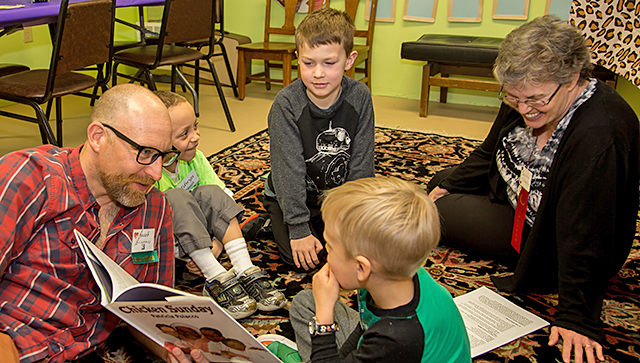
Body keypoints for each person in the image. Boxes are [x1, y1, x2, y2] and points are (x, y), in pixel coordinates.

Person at [426, 15, 639, 363]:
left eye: (535, 100)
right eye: (513, 98)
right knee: (440, 185)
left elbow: (588, 231)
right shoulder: (528, 90)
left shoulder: (601, 136)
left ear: (573, 78)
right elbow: (490, 150)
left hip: (551, 236)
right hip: (519, 194)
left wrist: (577, 316)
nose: (524, 110)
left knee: (436, 213)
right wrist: (447, 185)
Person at [0, 84, 196, 363]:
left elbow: (149, 313)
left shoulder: (154, 208)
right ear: (98, 137)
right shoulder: (30, 178)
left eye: (163, 156)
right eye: (145, 153)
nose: (155, 172)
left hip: (87, 352)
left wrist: (175, 352)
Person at [290, 176, 472, 362]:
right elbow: (364, 325)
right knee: (306, 301)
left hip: (399, 348)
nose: (325, 251)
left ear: (361, 267)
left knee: (319, 311)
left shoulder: (397, 337)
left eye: (330, 247)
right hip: (388, 344)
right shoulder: (393, 273)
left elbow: (379, 337)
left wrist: (323, 322)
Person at [153, 91, 287, 319]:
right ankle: (214, 276)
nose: (195, 136)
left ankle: (244, 268)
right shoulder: (151, 175)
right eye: (184, 134)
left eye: (195, 127)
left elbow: (223, 200)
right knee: (175, 197)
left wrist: (217, 245)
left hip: (205, 237)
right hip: (174, 241)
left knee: (212, 192)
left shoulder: (196, 159)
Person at [262, 7, 375, 271]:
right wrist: (299, 227)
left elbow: (361, 164)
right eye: (309, 63)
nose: (318, 73)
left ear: (349, 60)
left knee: (366, 253)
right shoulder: (286, 104)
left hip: (337, 198)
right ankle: (271, 222)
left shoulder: (360, 97)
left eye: (329, 63)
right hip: (291, 197)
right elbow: (288, 170)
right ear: (297, 58)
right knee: (302, 261)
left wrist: (351, 222)